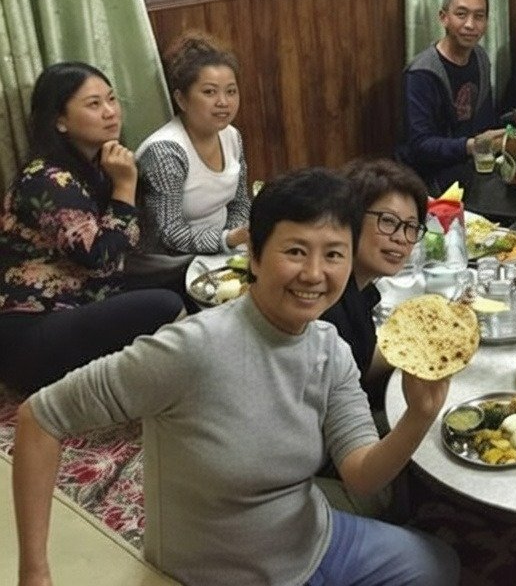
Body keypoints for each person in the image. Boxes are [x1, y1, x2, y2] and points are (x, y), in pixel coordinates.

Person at [12, 167, 458, 586]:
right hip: (215, 572)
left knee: (438, 566)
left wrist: (418, 416)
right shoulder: (191, 348)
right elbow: (41, 417)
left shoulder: (330, 348)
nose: (314, 274)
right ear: (256, 257)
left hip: (311, 540)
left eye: (334, 254)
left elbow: (361, 476)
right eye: (296, 251)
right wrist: (35, 572)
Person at [0, 63, 183, 394]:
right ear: (60, 121)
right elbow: (99, 258)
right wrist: (125, 185)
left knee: (189, 281)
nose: (111, 112)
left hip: (85, 302)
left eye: (112, 99)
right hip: (32, 332)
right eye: (94, 104)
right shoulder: (47, 178)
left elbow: (126, 246)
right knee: (164, 304)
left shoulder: (99, 167)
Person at [132, 32, 250, 281]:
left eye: (231, 91)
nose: (223, 102)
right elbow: (168, 233)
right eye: (209, 92)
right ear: (181, 99)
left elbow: (240, 202)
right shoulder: (165, 152)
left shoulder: (231, 136)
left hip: (225, 250)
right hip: (173, 263)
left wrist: (234, 241)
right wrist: (226, 240)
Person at [320, 158, 429, 407]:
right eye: (388, 221)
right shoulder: (326, 304)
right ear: (350, 218)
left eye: (411, 227)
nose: (402, 238)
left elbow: (360, 364)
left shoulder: (360, 288)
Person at [399, 0, 504, 191]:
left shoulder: (481, 58)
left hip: (472, 167)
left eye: (479, 16)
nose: (470, 25)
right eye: (461, 14)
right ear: (443, 18)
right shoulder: (422, 72)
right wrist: (471, 146)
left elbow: (485, 122)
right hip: (429, 178)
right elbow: (420, 145)